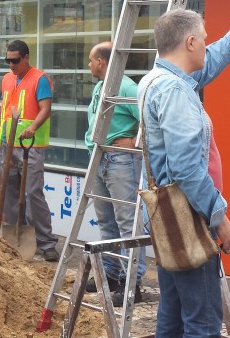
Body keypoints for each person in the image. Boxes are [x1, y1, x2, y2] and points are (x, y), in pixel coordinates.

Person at [138, 6, 230, 337]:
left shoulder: (159, 80)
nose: (206, 44)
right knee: (202, 322)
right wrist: (221, 219)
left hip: (168, 217)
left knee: (172, 315)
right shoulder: (175, 90)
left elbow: (211, 61)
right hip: (189, 219)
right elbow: (187, 168)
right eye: (203, 39)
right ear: (190, 43)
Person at [83, 41, 144, 303]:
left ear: (101, 62)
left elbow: (149, 119)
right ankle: (111, 274)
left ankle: (134, 285)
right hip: (101, 157)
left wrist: (134, 142)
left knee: (128, 223)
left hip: (120, 161)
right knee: (107, 221)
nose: (88, 64)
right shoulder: (101, 86)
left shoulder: (128, 87)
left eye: (91, 59)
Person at [0, 40, 59, 262]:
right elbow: (4, 113)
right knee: (8, 194)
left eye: (15, 60)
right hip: (7, 146)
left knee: (34, 194)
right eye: (8, 60)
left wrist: (32, 128)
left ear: (26, 57)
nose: (11, 64)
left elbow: (45, 109)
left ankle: (46, 242)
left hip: (31, 147)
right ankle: (12, 239)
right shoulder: (6, 79)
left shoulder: (40, 79)